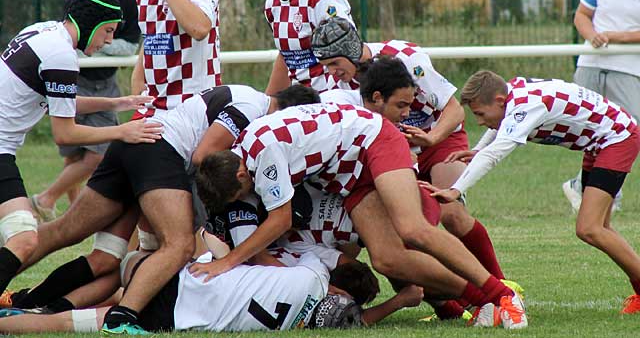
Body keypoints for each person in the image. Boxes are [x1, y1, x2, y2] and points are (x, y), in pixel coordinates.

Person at [0, 84, 319, 334]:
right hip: (158, 150)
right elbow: (202, 156)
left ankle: (24, 303)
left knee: (101, 255)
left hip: (137, 144)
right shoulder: (253, 108)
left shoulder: (249, 102)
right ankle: (122, 318)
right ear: (289, 112)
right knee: (178, 246)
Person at [195, 103, 528, 329]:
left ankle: (502, 296)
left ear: (240, 176)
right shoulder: (245, 153)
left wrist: (228, 262)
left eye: (241, 194)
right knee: (387, 260)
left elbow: (280, 220)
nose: (247, 199)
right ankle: (479, 302)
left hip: (373, 141)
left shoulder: (261, 154)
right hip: (348, 173)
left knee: (412, 229)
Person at [312, 17, 509, 284]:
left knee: (450, 213)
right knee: (404, 231)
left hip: (439, 138)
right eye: (325, 66)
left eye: (335, 63)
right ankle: (453, 303)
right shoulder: (338, 86)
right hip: (394, 151)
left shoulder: (405, 58)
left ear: (351, 50)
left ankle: (501, 286)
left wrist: (431, 138)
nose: (331, 72)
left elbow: (454, 109)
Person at [0, 0, 162, 302]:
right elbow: (66, 133)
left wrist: (115, 104)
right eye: (108, 31)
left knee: (23, 238)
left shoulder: (44, 32)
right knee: (24, 241)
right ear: (94, 25)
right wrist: (121, 132)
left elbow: (60, 100)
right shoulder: (62, 55)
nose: (109, 40)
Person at [430, 70, 640, 315]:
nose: (479, 121)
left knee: (589, 229)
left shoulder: (527, 105)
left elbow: (495, 153)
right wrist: (478, 149)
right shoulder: (512, 97)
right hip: (603, 141)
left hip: (616, 139)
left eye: (479, 114)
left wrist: (456, 190)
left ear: (499, 100)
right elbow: (502, 124)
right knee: (599, 227)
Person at [0, 250, 421, 334]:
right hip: (180, 319)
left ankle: (30, 301)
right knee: (90, 323)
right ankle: (17, 324)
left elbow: (320, 256)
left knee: (123, 265)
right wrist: (400, 300)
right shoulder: (314, 318)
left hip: (183, 277)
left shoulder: (311, 271)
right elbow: (355, 319)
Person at [31, 0, 142, 223]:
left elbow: (129, 45)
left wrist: (97, 47)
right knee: (73, 155)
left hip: (106, 84)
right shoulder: (79, 5)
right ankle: (69, 215)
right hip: (76, 80)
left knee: (96, 156)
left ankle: (46, 199)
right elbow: (71, 40)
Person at [563, 0, 640, 213]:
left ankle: (596, 188)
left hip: (628, 69)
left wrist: (615, 37)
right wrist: (592, 35)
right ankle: (590, 189)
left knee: (629, 131)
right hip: (590, 65)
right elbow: (581, 16)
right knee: (588, 129)